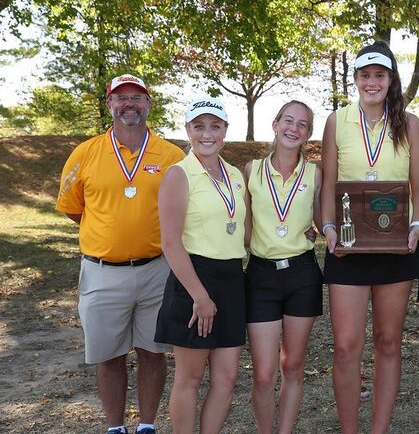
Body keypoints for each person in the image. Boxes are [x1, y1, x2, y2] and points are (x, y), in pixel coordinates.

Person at [55, 74, 185, 434]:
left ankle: (146, 425)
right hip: (102, 272)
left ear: (149, 105)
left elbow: (185, 208)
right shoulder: (86, 153)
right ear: (109, 105)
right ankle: (114, 427)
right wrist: (109, 232)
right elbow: (72, 207)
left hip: (157, 270)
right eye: (121, 97)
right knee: (108, 355)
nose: (129, 104)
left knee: (152, 351)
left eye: (137, 98)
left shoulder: (172, 156)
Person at [320, 40, 419, 434]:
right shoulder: (336, 120)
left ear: (390, 79)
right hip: (348, 246)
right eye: (365, 75)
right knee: (347, 345)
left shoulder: (409, 123)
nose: (372, 82)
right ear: (356, 79)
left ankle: (379, 429)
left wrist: (417, 225)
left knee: (388, 341)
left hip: (396, 246)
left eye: (379, 75)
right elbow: (329, 184)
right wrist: (329, 227)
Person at [154, 96, 249, 434]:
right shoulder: (179, 175)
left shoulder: (235, 174)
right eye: (199, 126)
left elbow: (245, 229)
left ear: (225, 130)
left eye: (215, 126)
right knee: (190, 378)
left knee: (226, 378)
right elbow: (170, 243)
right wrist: (200, 296)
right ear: (188, 131)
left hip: (232, 280)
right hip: (193, 281)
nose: (207, 134)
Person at [243, 101, 323, 434]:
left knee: (292, 365)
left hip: (302, 274)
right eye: (288, 120)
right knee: (263, 373)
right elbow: (242, 226)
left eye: (302, 124)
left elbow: (326, 220)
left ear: (308, 134)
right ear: (275, 124)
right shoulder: (250, 170)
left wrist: (318, 230)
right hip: (261, 275)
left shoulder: (317, 173)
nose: (294, 128)